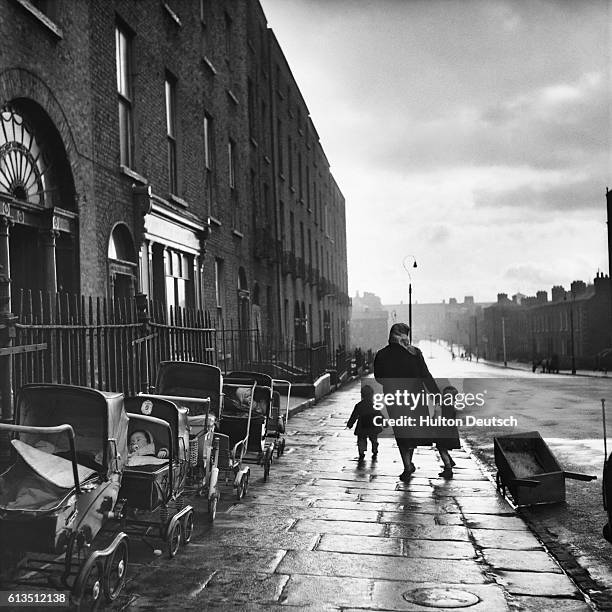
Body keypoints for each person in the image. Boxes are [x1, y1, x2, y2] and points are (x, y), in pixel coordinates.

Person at [374, 322, 441, 481]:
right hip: (415, 397)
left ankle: (406, 465)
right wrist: (436, 395)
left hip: (394, 398)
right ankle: (408, 462)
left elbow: (379, 377)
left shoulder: (382, 354)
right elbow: (425, 375)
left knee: (401, 431)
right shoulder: (415, 353)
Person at [346, 384, 383, 464]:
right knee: (373, 438)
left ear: (362, 395)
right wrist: (384, 422)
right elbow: (379, 415)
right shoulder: (375, 405)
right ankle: (375, 448)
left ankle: (361, 451)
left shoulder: (359, 405)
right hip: (373, 425)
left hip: (362, 425)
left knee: (361, 439)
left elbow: (354, 415)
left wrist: (350, 423)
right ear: (372, 395)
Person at [434, 385, 460, 478]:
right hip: (450, 431)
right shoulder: (453, 406)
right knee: (443, 448)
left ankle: (448, 468)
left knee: (442, 449)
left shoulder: (443, 406)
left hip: (443, 432)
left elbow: (438, 419)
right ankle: (450, 461)